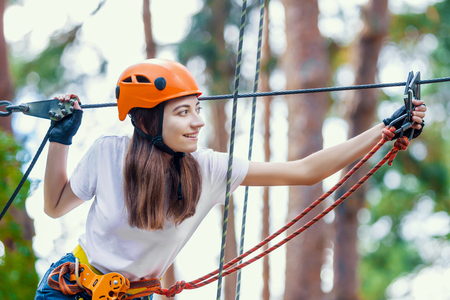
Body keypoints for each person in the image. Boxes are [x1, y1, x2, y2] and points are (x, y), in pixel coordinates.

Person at [35, 58, 426, 300]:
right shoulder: (108, 153)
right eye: (182, 112)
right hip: (68, 290)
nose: (198, 121)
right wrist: (60, 138)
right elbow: (54, 207)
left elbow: (306, 170)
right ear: (146, 119)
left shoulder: (208, 169)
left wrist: (384, 129)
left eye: (198, 109)